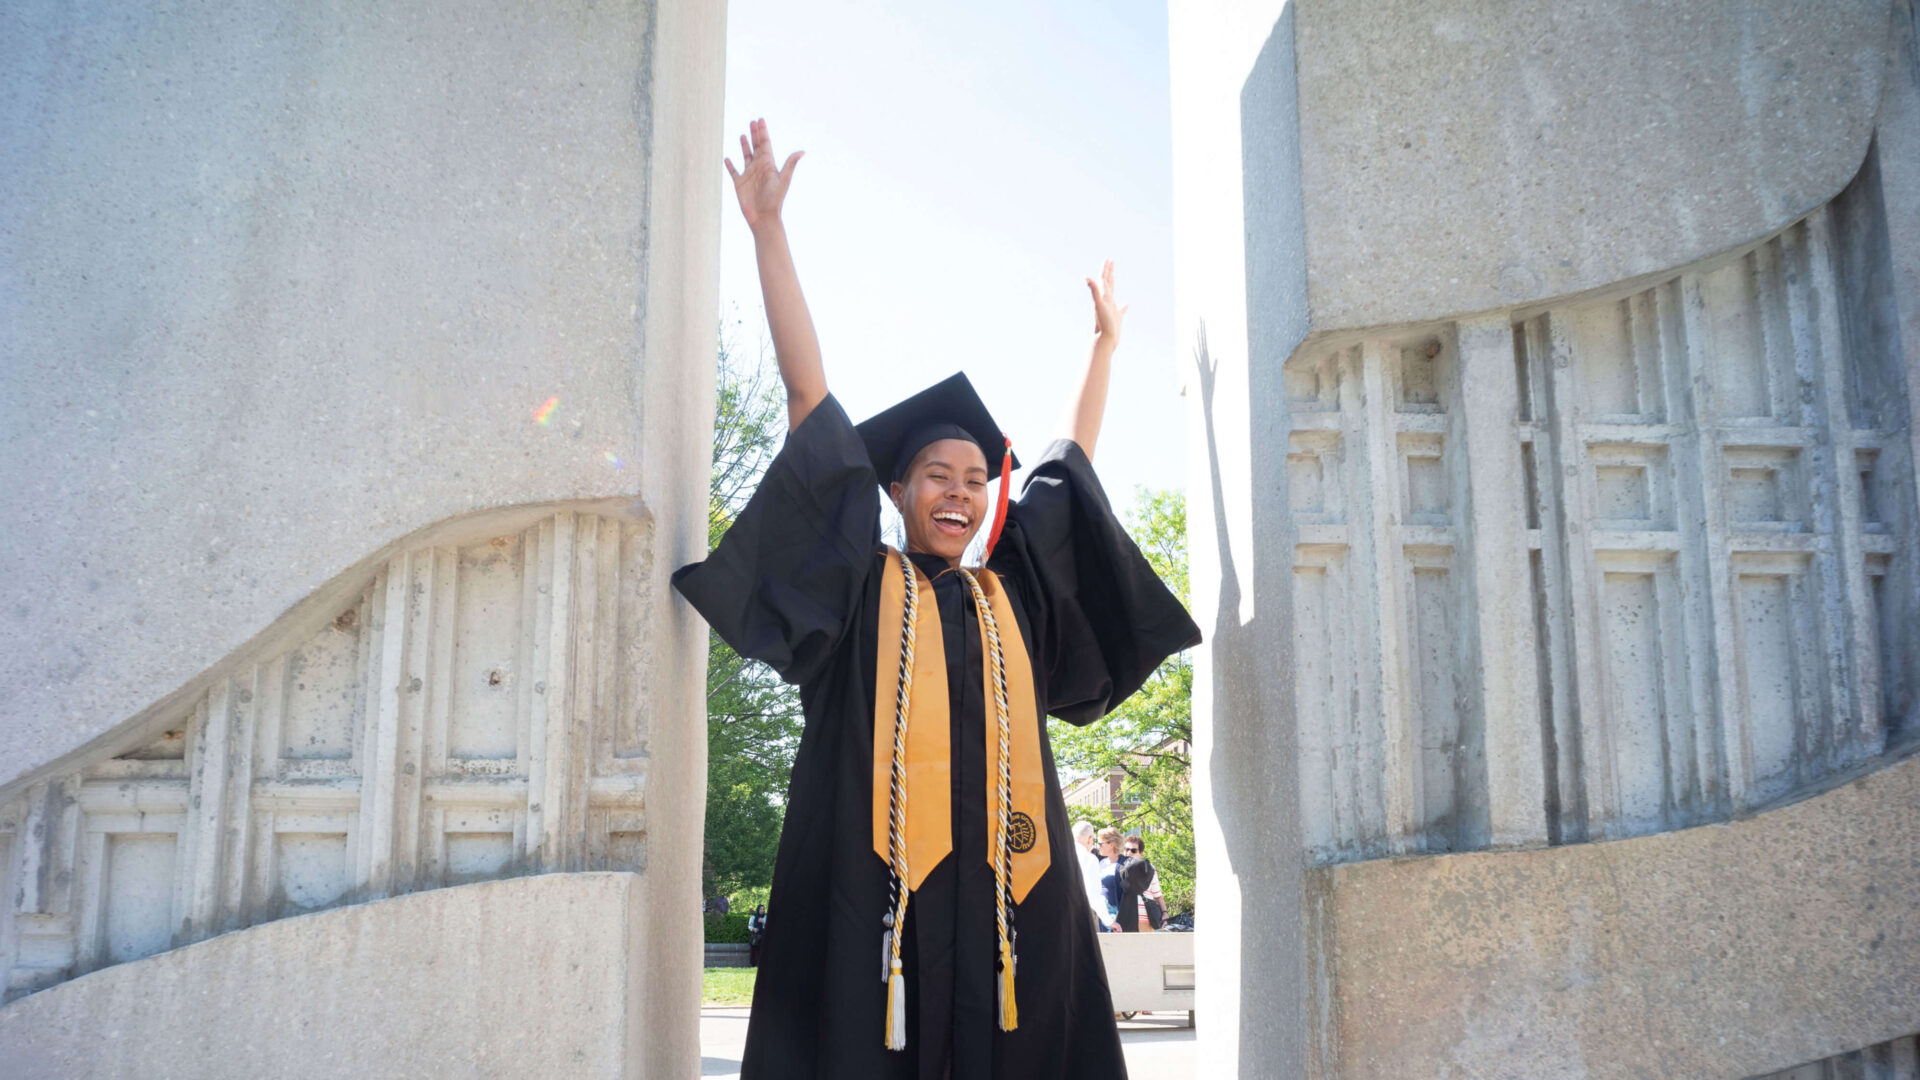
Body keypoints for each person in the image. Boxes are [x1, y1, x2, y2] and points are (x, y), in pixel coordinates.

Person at [673, 119, 1201, 1079]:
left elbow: (1063, 469)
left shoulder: (1013, 600)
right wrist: (767, 233)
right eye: (934, 475)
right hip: (872, 905)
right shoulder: (856, 585)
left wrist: (1104, 348)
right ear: (898, 491)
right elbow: (809, 404)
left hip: (1015, 913)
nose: (958, 491)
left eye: (972, 479)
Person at [1072, 822, 1117, 932]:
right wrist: (1109, 921)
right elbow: (1093, 895)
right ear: (1089, 838)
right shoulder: (1089, 859)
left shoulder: (1058, 855)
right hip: (1082, 915)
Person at [1122, 836, 1162, 931]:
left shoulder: (1149, 868)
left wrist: (1164, 913)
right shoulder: (1118, 867)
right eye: (1126, 849)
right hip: (1123, 919)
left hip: (1144, 920)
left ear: (1140, 853)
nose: (1129, 853)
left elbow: (1157, 895)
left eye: (1133, 850)